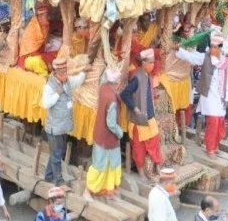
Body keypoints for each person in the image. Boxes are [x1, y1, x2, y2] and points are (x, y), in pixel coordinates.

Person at [176, 34, 228, 157]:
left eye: (215, 47)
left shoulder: (225, 62)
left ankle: (216, 146)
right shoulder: (205, 57)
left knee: (220, 122)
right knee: (213, 122)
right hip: (209, 97)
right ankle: (210, 148)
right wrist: (178, 50)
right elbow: (191, 57)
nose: (213, 49)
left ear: (220, 49)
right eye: (211, 47)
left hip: (221, 97)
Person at [40, 57, 86, 186]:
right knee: (57, 155)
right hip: (55, 127)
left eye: (66, 73)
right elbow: (45, 104)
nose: (65, 75)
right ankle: (58, 180)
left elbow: (77, 81)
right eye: (63, 73)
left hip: (63, 126)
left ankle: (48, 176)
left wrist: (84, 71)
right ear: (56, 73)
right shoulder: (49, 86)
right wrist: (57, 94)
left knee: (56, 153)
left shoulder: (67, 82)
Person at [121, 49, 163, 181]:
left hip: (149, 116)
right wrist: (134, 108)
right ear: (143, 62)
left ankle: (157, 165)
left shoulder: (147, 75)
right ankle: (140, 172)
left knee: (155, 140)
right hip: (139, 119)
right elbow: (124, 94)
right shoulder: (137, 77)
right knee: (138, 147)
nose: (152, 65)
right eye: (150, 62)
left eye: (153, 62)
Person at [85, 68, 124, 198]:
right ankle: (88, 191)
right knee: (102, 165)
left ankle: (107, 190)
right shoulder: (112, 98)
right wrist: (120, 133)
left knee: (106, 163)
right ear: (116, 81)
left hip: (100, 135)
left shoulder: (103, 88)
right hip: (108, 137)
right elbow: (111, 123)